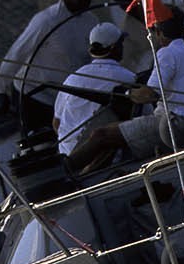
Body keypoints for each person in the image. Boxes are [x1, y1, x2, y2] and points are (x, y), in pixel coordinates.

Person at [68, 10, 184, 167]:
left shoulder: (166, 53)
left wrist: (127, 93)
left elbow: (147, 95)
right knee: (111, 133)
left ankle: (65, 173)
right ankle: (84, 176)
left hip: (175, 127)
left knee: (100, 135)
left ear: (158, 32)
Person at [0, 0, 114, 133]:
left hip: (63, 99)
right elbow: (16, 54)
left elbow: (94, 61)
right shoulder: (46, 20)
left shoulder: (91, 21)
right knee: (38, 146)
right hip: (33, 96)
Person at [51, 22, 137, 163]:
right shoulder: (127, 78)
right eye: (121, 43)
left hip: (67, 157)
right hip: (104, 157)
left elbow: (57, 123)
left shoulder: (73, 78)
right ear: (115, 48)